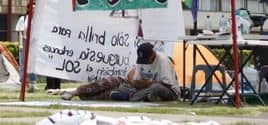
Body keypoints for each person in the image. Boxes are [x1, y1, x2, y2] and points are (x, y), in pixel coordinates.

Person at [49, 42, 179, 102]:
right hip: (141, 90)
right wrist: (136, 83)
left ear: (153, 56)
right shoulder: (141, 61)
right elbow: (134, 79)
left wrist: (146, 83)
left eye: (146, 59)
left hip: (167, 91)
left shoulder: (163, 60)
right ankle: (79, 93)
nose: (143, 62)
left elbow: (166, 84)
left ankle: (132, 98)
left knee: (155, 87)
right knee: (113, 82)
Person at [15, 11, 37, 91]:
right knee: (23, 62)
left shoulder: (37, 18)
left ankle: (33, 82)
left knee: (33, 62)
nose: (34, 9)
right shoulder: (23, 18)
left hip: (33, 41)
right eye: (32, 7)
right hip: (25, 40)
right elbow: (20, 32)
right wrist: (20, 44)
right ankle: (22, 81)